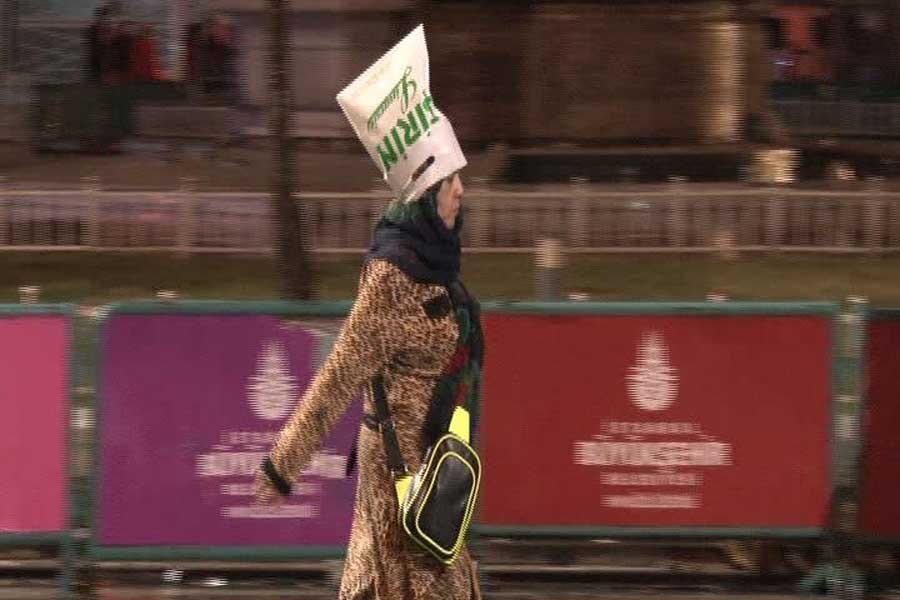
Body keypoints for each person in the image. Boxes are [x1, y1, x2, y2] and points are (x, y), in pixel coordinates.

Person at [254, 26, 482, 599]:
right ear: (427, 194)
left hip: (430, 463)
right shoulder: (392, 274)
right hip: (400, 473)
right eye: (451, 182)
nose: (461, 192)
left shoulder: (436, 263)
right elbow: (340, 374)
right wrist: (283, 465)